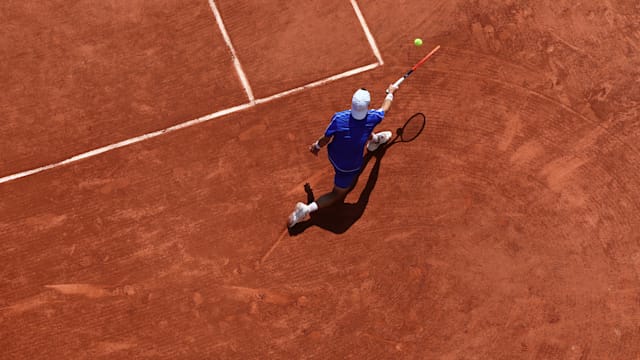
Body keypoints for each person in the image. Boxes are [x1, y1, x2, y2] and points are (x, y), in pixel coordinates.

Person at [287, 84, 398, 227]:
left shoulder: (339, 118)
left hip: (333, 156)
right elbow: (385, 108)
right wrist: (391, 92)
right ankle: (307, 209)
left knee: (358, 132)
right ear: (367, 106)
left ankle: (376, 140)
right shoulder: (373, 118)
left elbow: (326, 138)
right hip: (349, 167)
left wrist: (316, 146)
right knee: (337, 194)